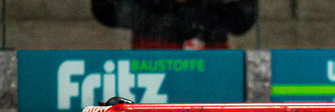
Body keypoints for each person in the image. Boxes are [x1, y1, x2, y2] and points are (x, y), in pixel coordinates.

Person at [92, 0, 256, 49]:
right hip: (151, 98)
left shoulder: (217, 13)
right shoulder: (143, 10)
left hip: (209, 97)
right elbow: (105, 10)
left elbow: (243, 19)